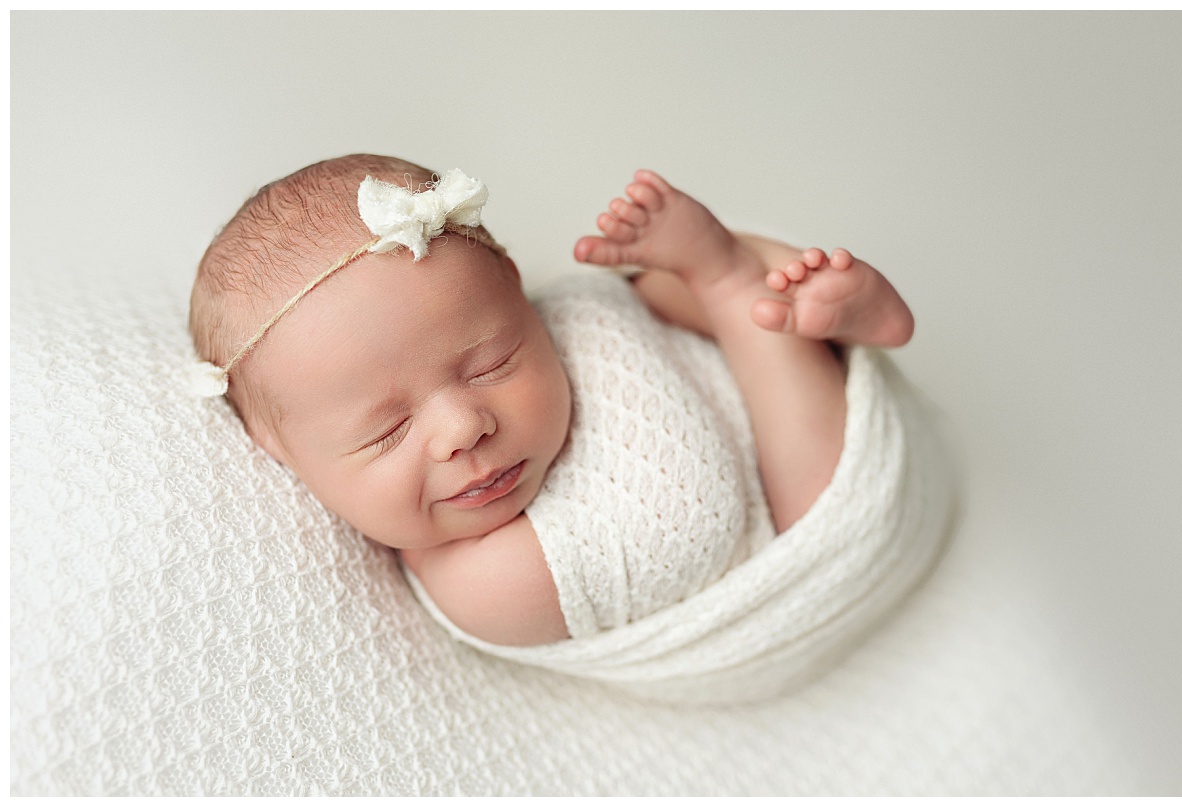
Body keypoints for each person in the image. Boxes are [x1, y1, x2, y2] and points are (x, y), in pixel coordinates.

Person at [189, 154, 914, 648]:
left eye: (491, 363)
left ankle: (805, 298)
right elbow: (695, 527)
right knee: (823, 497)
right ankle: (738, 284)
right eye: (388, 429)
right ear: (279, 451)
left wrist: (648, 301)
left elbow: (613, 312)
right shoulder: (486, 587)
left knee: (627, 293)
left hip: (710, 358)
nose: (462, 427)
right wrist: (725, 300)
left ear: (515, 289)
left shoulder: (553, 313)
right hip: (799, 531)